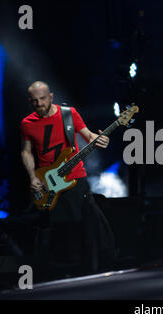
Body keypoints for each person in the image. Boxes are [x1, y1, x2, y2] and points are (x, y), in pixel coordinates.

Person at [20, 81, 115, 278]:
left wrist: (99, 140)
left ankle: (94, 269)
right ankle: (61, 272)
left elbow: (88, 135)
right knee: (59, 229)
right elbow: (26, 151)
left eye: (42, 99)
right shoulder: (27, 123)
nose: (39, 104)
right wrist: (32, 177)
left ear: (51, 96)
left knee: (88, 223)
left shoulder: (68, 114)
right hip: (48, 181)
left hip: (76, 178)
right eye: (34, 101)